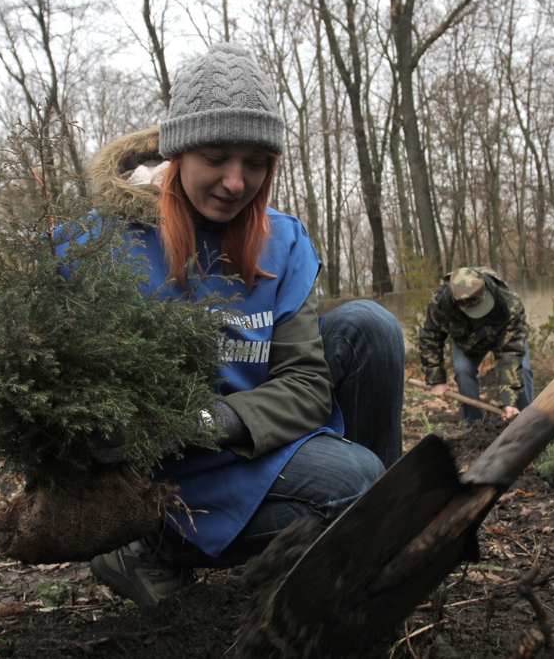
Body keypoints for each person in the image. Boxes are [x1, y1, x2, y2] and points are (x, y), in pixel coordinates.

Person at [86, 43, 405, 606]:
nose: (237, 182)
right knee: (354, 481)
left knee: (369, 327)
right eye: (216, 156)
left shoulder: (280, 240)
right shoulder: (112, 244)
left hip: (250, 436)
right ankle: (155, 546)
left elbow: (306, 385)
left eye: (255, 162)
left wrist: (215, 420)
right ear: (179, 153)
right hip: (173, 472)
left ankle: (385, 537)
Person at [418, 267, 534, 428]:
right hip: (469, 342)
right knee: (462, 369)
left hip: (505, 337)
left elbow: (511, 352)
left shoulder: (509, 302)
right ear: (456, 303)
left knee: (524, 370)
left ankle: (527, 423)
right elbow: (429, 337)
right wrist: (437, 380)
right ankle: (474, 426)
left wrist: (509, 401)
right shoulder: (440, 304)